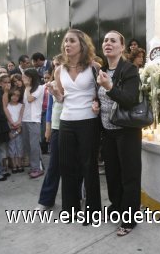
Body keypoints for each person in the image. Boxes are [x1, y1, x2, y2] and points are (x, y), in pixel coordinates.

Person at [50, 29, 101, 219]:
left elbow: (100, 93)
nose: (67, 45)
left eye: (71, 41)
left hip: (89, 121)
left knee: (89, 166)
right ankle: (70, 209)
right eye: (65, 42)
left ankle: (93, 211)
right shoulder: (58, 70)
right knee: (67, 166)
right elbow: (63, 98)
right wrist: (55, 94)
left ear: (82, 44)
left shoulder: (93, 67)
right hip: (66, 121)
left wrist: (97, 103)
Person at [95, 30, 142, 236]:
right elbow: (101, 97)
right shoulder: (102, 69)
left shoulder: (129, 69)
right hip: (107, 131)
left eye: (113, 40)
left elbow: (130, 99)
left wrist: (109, 87)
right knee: (112, 174)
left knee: (129, 175)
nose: (108, 43)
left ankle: (130, 218)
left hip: (126, 131)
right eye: (105, 40)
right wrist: (95, 102)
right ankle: (116, 208)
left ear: (122, 47)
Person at [36, 54, 64, 210]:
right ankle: (46, 200)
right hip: (56, 127)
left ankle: (80, 196)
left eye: (60, 63)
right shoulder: (51, 85)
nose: (57, 67)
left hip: (74, 126)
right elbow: (49, 109)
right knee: (54, 165)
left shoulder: (74, 84)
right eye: (55, 65)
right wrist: (48, 128)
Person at [20, 68, 45, 178]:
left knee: (34, 145)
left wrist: (27, 87)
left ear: (31, 78)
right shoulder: (26, 88)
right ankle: (35, 166)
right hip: (25, 119)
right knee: (27, 145)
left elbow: (30, 99)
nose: (23, 78)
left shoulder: (39, 88)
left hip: (34, 120)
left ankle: (37, 168)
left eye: (25, 76)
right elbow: (24, 104)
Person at [5, 87, 24, 173]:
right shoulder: (7, 106)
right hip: (10, 130)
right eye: (13, 95)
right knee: (11, 148)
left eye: (17, 95)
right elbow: (7, 118)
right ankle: (14, 165)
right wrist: (10, 128)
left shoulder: (21, 106)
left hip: (19, 130)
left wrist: (19, 127)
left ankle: (19, 164)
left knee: (19, 147)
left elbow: (22, 117)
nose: (15, 97)